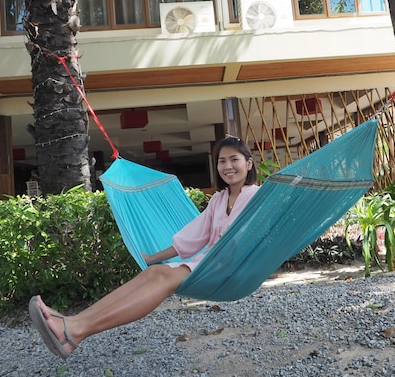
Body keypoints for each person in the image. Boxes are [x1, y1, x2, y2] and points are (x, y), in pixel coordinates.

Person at [29, 135, 259, 359]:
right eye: (222, 161)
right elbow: (191, 239)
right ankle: (71, 322)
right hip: (208, 263)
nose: (227, 166)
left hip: (231, 268)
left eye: (234, 159)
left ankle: (77, 332)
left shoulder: (257, 197)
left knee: (163, 279)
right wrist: (153, 257)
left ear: (248, 164)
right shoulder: (218, 200)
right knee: (154, 271)